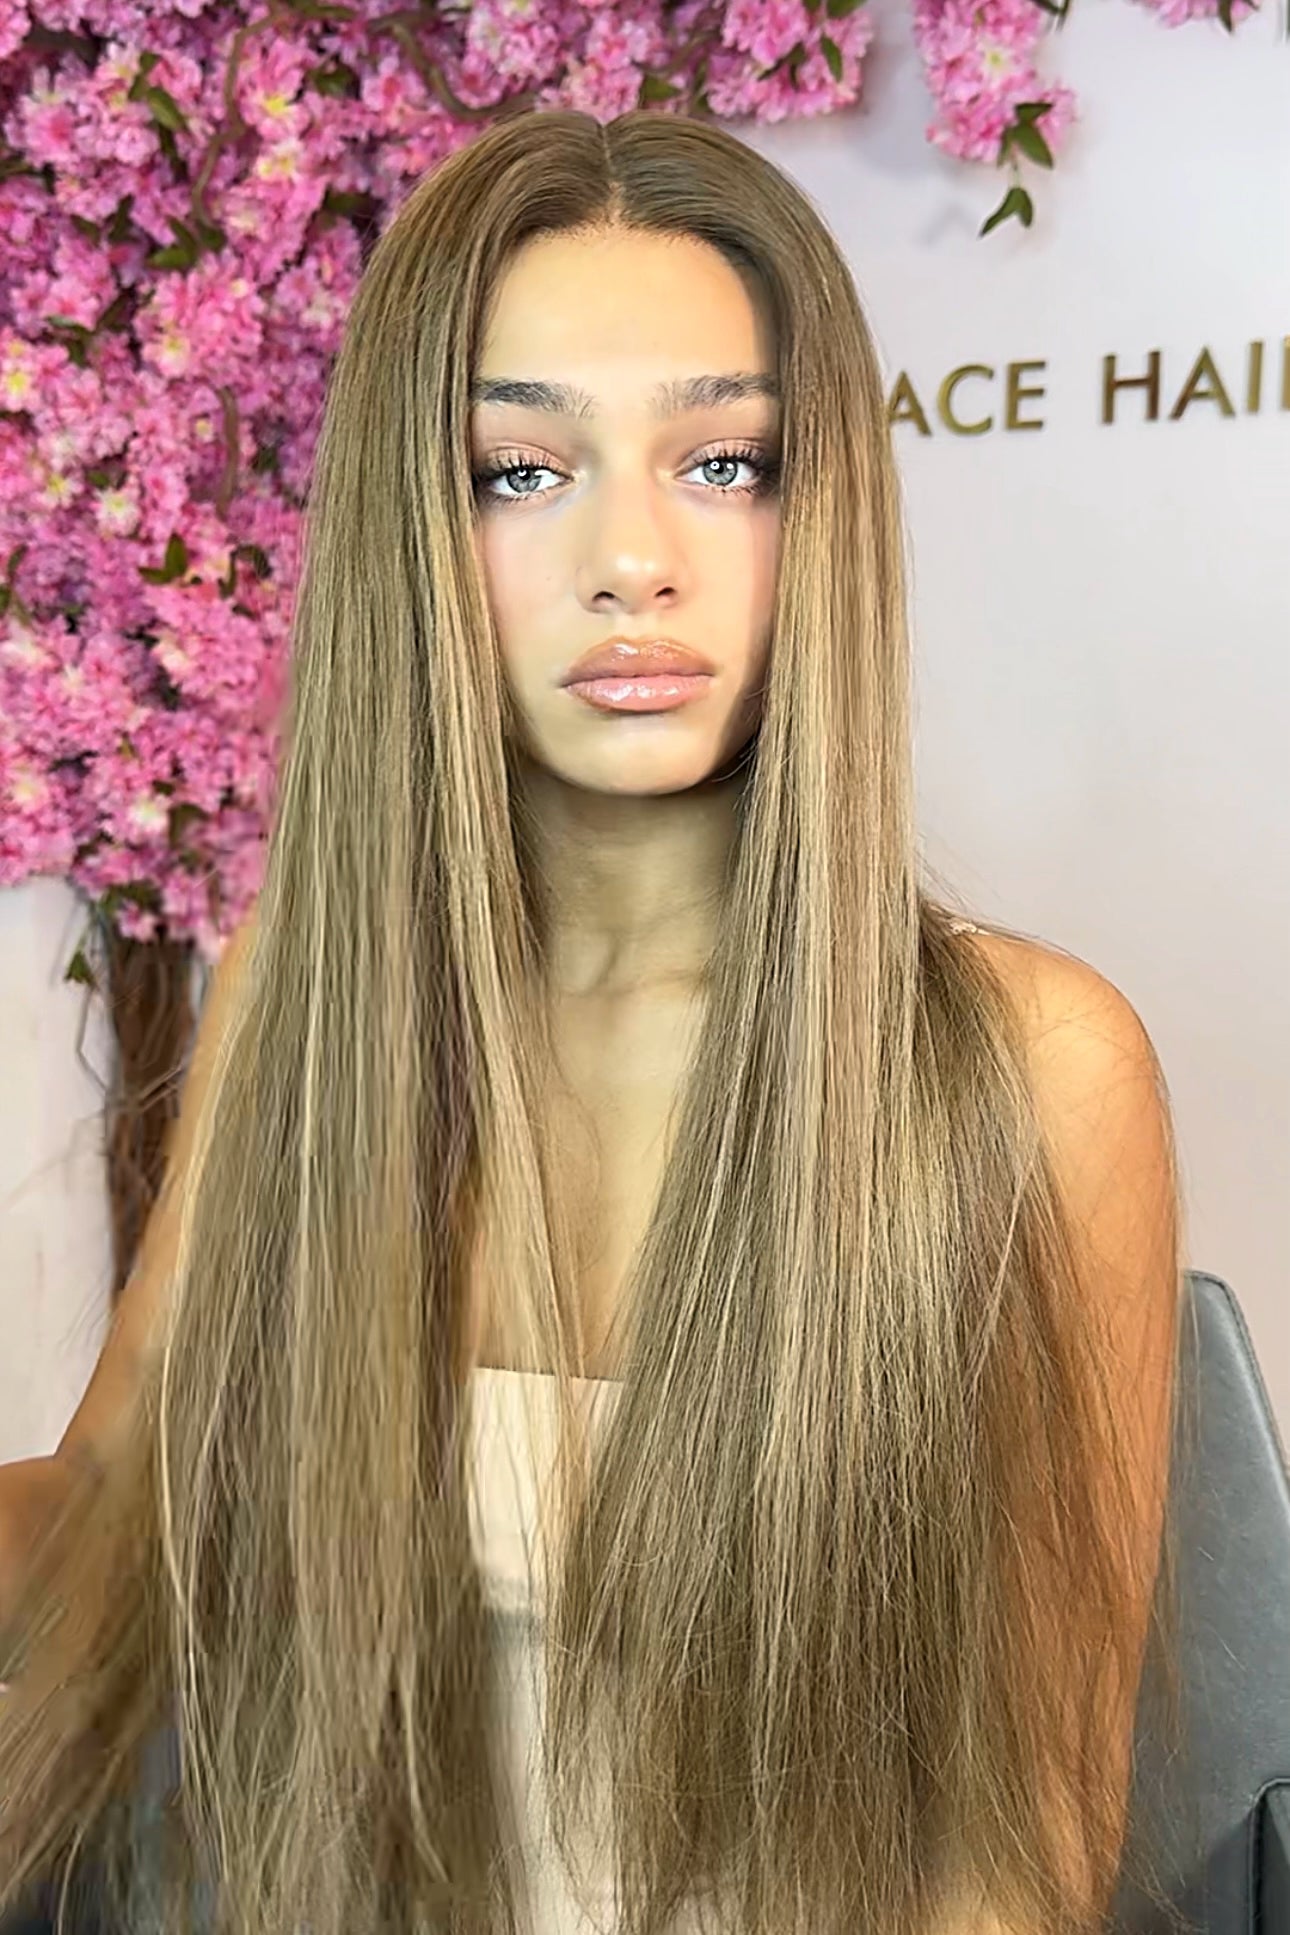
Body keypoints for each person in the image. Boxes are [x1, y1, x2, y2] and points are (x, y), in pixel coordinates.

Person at [0, 108, 1187, 1935]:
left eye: (722, 461)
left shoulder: (1034, 1071)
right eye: (520, 472)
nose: (633, 559)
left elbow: (1020, 1854)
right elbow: (105, 1514)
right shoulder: (306, 1015)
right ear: (416, 528)